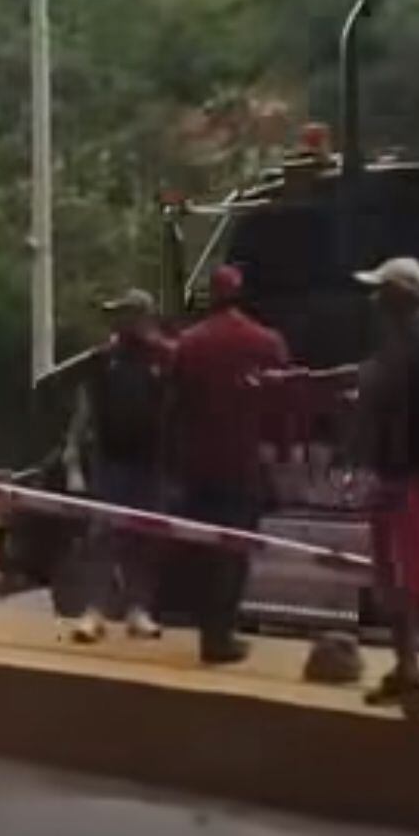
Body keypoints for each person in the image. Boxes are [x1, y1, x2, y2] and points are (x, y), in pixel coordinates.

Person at [353, 257, 419, 720]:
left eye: (382, 290)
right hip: (394, 475)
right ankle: (407, 667)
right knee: (392, 580)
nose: (374, 299)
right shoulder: (399, 345)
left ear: (403, 295)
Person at [173, 265, 292, 665]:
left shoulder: (188, 344)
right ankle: (222, 634)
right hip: (244, 465)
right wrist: (282, 455)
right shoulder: (267, 342)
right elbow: (283, 406)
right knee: (235, 551)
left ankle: (210, 632)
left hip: (198, 465)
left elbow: (174, 408)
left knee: (205, 550)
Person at [64, 288, 174, 645]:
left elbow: (179, 409)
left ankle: (139, 609)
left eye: (126, 314)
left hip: (150, 462)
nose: (119, 322)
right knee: (103, 536)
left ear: (143, 317)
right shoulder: (104, 359)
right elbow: (85, 408)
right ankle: (94, 610)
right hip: (110, 460)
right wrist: (72, 453)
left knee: (145, 538)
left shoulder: (165, 357)